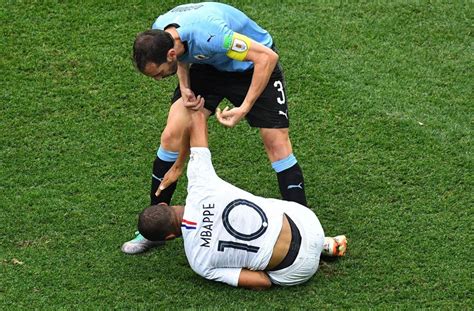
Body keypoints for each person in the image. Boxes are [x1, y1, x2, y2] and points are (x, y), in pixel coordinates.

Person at [122, 2, 309, 254]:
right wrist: (185, 87)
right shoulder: (161, 31)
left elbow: (267, 57)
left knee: (277, 144)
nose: (157, 80)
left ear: (170, 56)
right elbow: (184, 58)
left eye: (158, 74)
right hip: (208, 68)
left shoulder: (211, 34)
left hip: (251, 67)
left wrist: (244, 107)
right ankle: (154, 230)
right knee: (171, 134)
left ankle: (304, 228)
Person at [136, 108, 347, 289]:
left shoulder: (198, 262)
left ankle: (318, 248)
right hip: (310, 224)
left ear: (170, 237)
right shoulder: (201, 184)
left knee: (265, 267)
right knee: (266, 206)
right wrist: (194, 103)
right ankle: (322, 242)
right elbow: (197, 121)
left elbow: (262, 282)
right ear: (166, 204)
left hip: (300, 269)